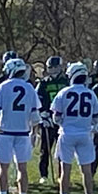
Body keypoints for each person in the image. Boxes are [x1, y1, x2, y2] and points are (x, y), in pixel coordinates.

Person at [0, 58, 41, 194]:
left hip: (5, 131)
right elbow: (35, 115)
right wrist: (35, 133)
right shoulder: (29, 88)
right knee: (22, 168)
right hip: (23, 132)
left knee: (3, 167)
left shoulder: (3, 87)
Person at [50, 62, 98, 194]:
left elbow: (56, 117)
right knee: (86, 169)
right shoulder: (90, 93)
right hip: (85, 134)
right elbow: (96, 116)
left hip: (67, 134)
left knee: (65, 168)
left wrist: (63, 123)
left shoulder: (64, 92)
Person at [35, 56, 67, 185]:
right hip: (48, 119)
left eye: (55, 67)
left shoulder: (67, 82)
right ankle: (44, 174)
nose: (52, 69)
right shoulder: (44, 82)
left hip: (63, 119)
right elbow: (38, 99)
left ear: (60, 67)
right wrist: (43, 114)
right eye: (50, 67)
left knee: (62, 149)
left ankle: (62, 174)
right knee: (45, 149)